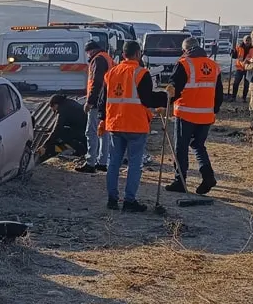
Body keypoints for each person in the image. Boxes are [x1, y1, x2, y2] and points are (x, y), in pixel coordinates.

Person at [99, 40, 167, 212]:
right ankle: (129, 201)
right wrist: (166, 97)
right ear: (138, 54)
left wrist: (102, 119)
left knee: (114, 162)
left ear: (123, 55)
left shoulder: (111, 73)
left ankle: (112, 200)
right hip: (136, 125)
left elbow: (103, 100)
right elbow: (148, 99)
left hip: (115, 124)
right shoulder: (141, 73)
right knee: (135, 164)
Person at [165, 37, 223, 194]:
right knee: (198, 145)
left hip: (186, 114)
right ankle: (208, 176)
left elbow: (174, 88)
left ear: (185, 50)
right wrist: (214, 109)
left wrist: (166, 105)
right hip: (206, 116)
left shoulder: (184, 64)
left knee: (181, 148)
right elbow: (219, 92)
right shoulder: (213, 65)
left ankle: (180, 181)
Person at [76, 40, 112, 173]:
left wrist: (89, 101)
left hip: (97, 102)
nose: (87, 55)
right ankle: (102, 162)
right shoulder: (106, 58)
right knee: (103, 132)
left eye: (87, 52)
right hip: (106, 101)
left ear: (91, 50)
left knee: (91, 132)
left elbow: (96, 82)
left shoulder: (97, 60)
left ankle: (90, 162)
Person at [40, 94, 88, 162]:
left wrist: (45, 145)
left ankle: (80, 150)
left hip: (82, 132)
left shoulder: (62, 110)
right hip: (84, 128)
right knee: (62, 133)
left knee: (61, 135)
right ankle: (79, 150)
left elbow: (57, 129)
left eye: (52, 107)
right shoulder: (68, 102)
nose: (53, 110)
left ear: (56, 104)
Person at [229, 36, 252, 102]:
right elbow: (234, 56)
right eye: (246, 40)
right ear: (244, 40)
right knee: (236, 83)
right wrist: (232, 53)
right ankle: (233, 97)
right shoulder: (239, 47)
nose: (247, 42)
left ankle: (244, 98)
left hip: (248, 68)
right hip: (239, 68)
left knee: (246, 84)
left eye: (249, 40)